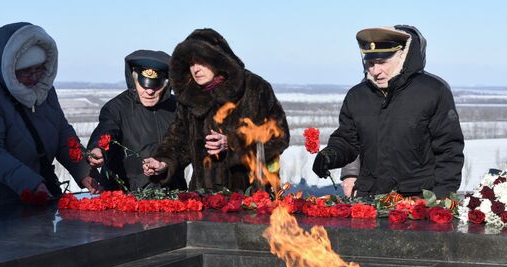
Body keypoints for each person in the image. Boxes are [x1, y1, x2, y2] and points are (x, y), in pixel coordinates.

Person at [0, 22, 100, 210]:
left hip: (33, 197)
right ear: (9, 68)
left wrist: (85, 172)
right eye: (25, 71)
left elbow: (63, 137)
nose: (34, 77)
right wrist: (30, 183)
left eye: (39, 69)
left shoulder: (45, 93)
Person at [313, 25, 464, 198]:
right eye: (370, 64)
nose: (376, 71)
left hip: (418, 199)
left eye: (382, 62)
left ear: (402, 56)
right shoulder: (357, 96)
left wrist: (440, 198)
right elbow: (348, 140)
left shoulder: (433, 91)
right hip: (369, 198)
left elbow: (449, 150)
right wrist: (331, 155)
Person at [143, 28, 290, 192]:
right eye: (191, 63)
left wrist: (233, 143)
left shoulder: (255, 88)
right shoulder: (189, 96)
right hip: (203, 197)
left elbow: (279, 138)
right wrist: (163, 162)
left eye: (200, 62)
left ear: (218, 60)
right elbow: (178, 141)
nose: (195, 69)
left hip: (250, 198)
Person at [87, 50, 186, 191]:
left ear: (166, 83)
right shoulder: (116, 108)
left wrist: (166, 164)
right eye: (144, 85)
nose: (149, 92)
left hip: (173, 196)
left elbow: (188, 147)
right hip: (126, 198)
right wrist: (98, 149)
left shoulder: (179, 108)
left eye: (155, 86)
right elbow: (106, 131)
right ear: (134, 80)